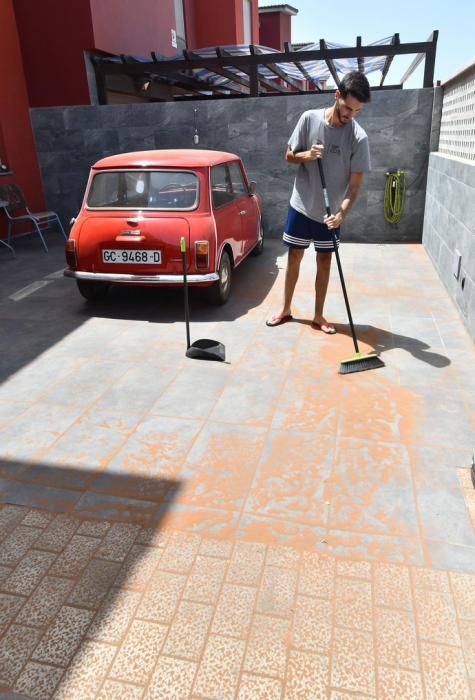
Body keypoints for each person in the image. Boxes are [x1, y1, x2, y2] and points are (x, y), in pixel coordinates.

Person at [266, 71, 371, 333]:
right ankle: (285, 309)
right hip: (301, 205)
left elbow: (355, 186)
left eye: (356, 111)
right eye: (347, 107)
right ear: (336, 96)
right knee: (294, 257)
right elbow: (289, 156)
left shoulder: (359, 138)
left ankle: (318, 315)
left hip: (330, 213)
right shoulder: (309, 119)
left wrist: (341, 214)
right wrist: (307, 155)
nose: (350, 115)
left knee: (324, 261)